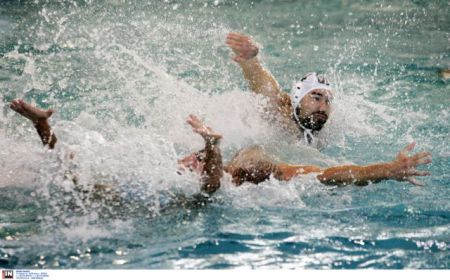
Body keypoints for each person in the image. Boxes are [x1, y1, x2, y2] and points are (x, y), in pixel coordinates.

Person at [9, 100, 432, 201]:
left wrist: (387, 170)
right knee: (73, 179)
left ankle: (44, 127)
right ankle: (43, 125)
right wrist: (43, 126)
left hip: (195, 190)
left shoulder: (255, 173)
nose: (323, 106)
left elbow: (334, 175)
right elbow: (335, 174)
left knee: (76, 183)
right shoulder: (169, 170)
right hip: (167, 187)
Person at [226, 32, 333, 146]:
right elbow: (266, 88)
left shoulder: (329, 125)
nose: (323, 108)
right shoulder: (279, 116)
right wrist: (250, 61)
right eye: (316, 98)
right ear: (298, 99)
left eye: (328, 100)